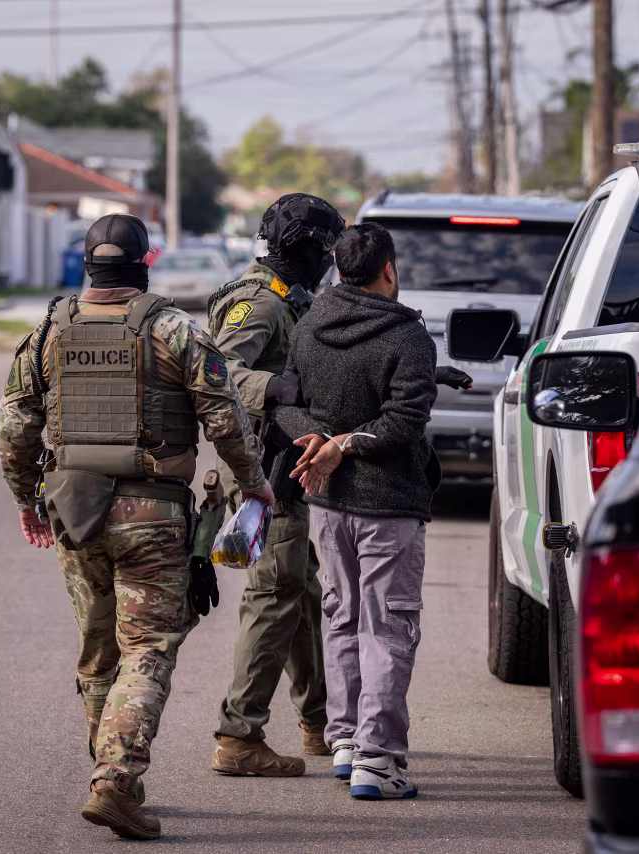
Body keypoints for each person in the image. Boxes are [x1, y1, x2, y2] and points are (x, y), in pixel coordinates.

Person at [0, 213, 274, 839]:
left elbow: (14, 428)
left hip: (74, 512)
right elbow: (226, 419)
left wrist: (25, 501)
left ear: (87, 265)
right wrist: (254, 482)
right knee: (146, 648)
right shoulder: (176, 330)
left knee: (99, 651)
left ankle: (109, 772)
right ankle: (116, 780)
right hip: (153, 514)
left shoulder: (48, 332)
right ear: (146, 264)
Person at [271, 222, 442, 800]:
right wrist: (340, 445)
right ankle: (378, 760)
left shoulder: (310, 323)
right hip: (388, 505)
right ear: (388, 270)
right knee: (388, 627)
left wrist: (322, 442)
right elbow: (402, 423)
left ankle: (345, 741)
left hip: (327, 503)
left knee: (343, 620)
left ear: (340, 271)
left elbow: (286, 404)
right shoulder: (408, 335)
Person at [204, 193, 346, 777]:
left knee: (300, 592)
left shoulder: (292, 298)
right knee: (274, 597)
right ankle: (239, 737)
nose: (330, 261)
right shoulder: (260, 303)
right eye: (326, 250)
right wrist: (274, 389)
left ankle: (319, 722)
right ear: (304, 248)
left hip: (284, 468)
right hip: (262, 474)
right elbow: (215, 372)